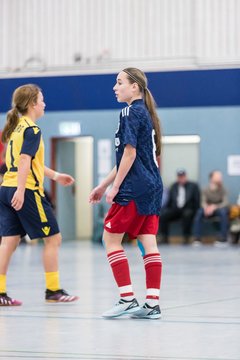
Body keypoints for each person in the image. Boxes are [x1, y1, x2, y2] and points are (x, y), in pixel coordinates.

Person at [89, 68, 163, 319]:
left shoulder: (130, 111)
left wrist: (116, 187)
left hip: (135, 186)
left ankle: (127, 298)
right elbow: (125, 158)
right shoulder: (147, 114)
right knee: (147, 240)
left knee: (110, 240)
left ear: (135, 87)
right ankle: (152, 302)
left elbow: (129, 155)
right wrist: (102, 185)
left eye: (119, 82)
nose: (114, 87)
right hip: (152, 186)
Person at [0, 84, 79, 306]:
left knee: (9, 242)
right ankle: (53, 290)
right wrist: (22, 190)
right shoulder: (32, 130)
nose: (44, 104)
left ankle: (0, 291)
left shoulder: (16, 128)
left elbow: (27, 161)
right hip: (24, 190)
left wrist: (55, 175)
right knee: (53, 238)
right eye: (42, 100)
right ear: (32, 104)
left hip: (5, 189)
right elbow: (24, 161)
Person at [159, 169, 200, 244]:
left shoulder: (193, 186)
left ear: (186, 176)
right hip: (175, 209)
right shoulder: (174, 186)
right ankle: (164, 237)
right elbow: (170, 201)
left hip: (188, 209)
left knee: (187, 215)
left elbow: (196, 201)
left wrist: (195, 211)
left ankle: (186, 237)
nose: (181, 178)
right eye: (180, 177)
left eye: (183, 176)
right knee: (164, 215)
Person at [192, 170, 229, 245]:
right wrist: (206, 208)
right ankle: (197, 238)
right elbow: (203, 201)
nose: (220, 178)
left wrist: (215, 206)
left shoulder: (223, 189)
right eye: (218, 176)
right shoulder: (205, 189)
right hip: (207, 209)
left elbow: (225, 202)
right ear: (212, 178)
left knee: (223, 212)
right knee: (199, 212)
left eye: (220, 176)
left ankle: (223, 238)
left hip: (219, 209)